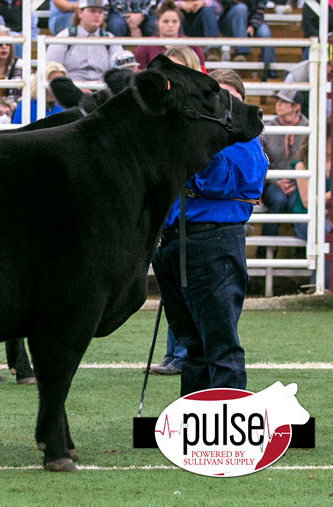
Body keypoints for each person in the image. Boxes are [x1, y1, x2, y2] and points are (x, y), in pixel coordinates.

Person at [152, 69, 268, 395]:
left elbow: (220, 181)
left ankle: (226, 425)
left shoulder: (245, 142)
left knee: (219, 343)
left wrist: (194, 145)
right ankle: (197, 421)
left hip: (212, 240)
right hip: (173, 241)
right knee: (192, 344)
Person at [147, 46, 203, 376]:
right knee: (171, 287)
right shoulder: (160, 111)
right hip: (166, 209)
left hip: (190, 210)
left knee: (185, 284)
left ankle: (183, 352)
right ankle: (174, 352)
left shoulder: (193, 112)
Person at [259, 89, 309, 242]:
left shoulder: (309, 128)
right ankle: (266, 249)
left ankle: (303, 252)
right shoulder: (267, 128)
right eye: (277, 101)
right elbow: (261, 161)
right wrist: (276, 181)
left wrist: (298, 182)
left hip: (301, 183)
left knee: (297, 201)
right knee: (278, 200)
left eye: (285, 102)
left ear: (297, 107)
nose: (278, 105)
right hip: (273, 182)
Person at [45, 0, 123, 82]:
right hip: (71, 88)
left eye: (100, 12)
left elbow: (119, 69)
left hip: (102, 90)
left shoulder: (109, 39)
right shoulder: (64, 37)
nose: (97, 15)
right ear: (79, 13)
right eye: (92, 11)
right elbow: (52, 68)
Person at [291, 135, 331, 290]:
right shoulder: (302, 165)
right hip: (306, 218)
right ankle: (319, 286)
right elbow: (306, 201)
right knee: (324, 232)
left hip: (326, 216)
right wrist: (330, 196)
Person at [134, 0, 206, 70]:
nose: (170, 25)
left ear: (179, 23)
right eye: (166, 21)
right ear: (157, 22)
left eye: (174, 21)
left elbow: (202, 73)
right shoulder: (145, 46)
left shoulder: (192, 45)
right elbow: (140, 75)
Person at [218, 0, 276, 78]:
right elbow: (223, 6)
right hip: (230, 20)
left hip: (252, 21)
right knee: (241, 8)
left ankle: (270, 73)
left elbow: (260, 11)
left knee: (265, 34)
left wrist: (252, 25)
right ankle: (241, 52)